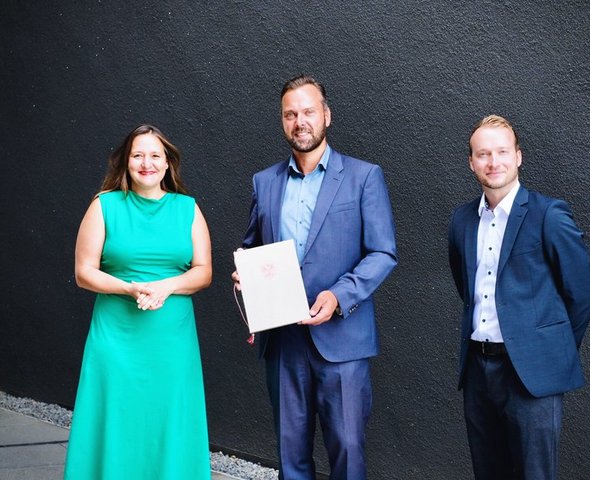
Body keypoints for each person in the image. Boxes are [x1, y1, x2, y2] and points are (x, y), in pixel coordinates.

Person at [232, 74, 397, 479]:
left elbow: (383, 252)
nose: (299, 121)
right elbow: (253, 245)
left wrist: (340, 296)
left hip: (342, 342)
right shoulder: (264, 181)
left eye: (308, 111)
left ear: (326, 116)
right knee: (291, 457)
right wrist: (245, 273)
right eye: (290, 114)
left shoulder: (364, 176)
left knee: (347, 453)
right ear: (282, 121)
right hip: (284, 341)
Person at [448, 114, 590, 479]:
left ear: (518, 156)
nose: (493, 162)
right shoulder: (461, 221)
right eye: (483, 154)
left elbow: (582, 294)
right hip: (479, 372)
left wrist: (547, 347)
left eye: (502, 152)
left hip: (532, 373)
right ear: (471, 162)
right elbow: (466, 287)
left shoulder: (548, 215)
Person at [64, 124, 212, 480]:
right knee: (115, 417)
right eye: (138, 155)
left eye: (154, 155)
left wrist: (167, 286)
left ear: (167, 164)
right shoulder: (104, 205)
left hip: (171, 340)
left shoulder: (187, 208)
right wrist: (130, 289)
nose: (147, 163)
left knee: (168, 419)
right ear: (126, 162)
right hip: (116, 338)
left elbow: (203, 271)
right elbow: (84, 272)